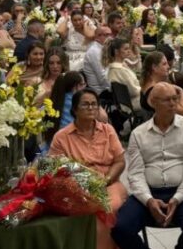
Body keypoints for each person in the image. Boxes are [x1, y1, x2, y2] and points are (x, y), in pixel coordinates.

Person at [112, 83, 183, 249]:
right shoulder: (138, 134)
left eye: (175, 99)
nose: (173, 104)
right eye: (167, 100)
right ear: (153, 102)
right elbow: (135, 173)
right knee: (120, 228)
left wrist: (177, 198)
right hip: (148, 192)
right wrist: (148, 200)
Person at [50, 89, 127, 249]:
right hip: (76, 186)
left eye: (94, 104)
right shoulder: (62, 137)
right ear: (74, 109)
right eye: (85, 104)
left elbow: (120, 162)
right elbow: (54, 169)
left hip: (108, 182)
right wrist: (82, 183)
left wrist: (106, 180)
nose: (91, 108)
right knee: (80, 209)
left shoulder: (107, 130)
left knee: (108, 206)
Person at [139, 51, 183, 117]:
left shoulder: (145, 84)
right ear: (154, 67)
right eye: (164, 64)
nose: (168, 67)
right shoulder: (156, 91)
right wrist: (181, 90)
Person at [105, 38, 142, 113]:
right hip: (131, 104)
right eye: (125, 49)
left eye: (129, 48)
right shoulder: (119, 70)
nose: (129, 51)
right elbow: (134, 91)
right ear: (116, 52)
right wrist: (145, 89)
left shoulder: (117, 67)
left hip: (128, 102)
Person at [83, 26, 111, 94]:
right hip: (100, 92)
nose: (111, 38)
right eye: (107, 35)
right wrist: (116, 89)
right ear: (98, 37)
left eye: (110, 34)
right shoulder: (94, 51)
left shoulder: (104, 48)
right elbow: (103, 78)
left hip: (107, 87)